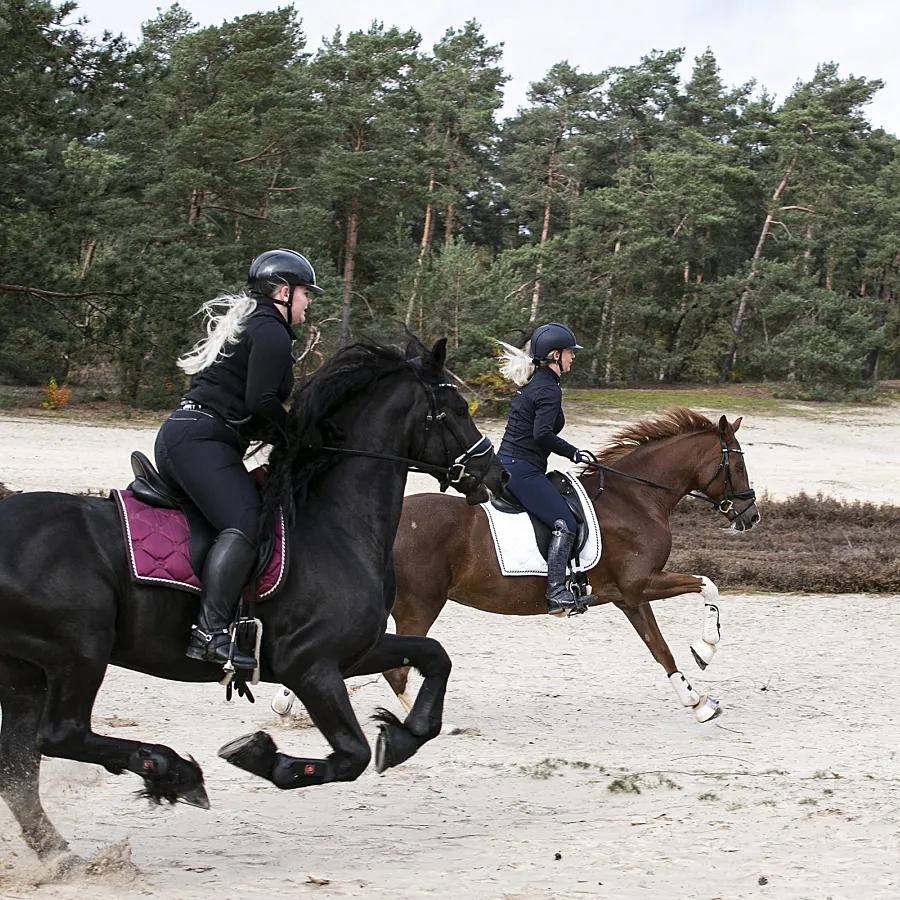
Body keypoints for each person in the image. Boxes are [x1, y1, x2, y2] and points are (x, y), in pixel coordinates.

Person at [155, 249, 322, 668]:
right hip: (200, 441)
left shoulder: (253, 324)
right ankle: (209, 633)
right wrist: (297, 436)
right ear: (283, 292)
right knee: (246, 522)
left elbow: (251, 410)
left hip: (188, 436)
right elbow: (261, 401)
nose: (308, 302)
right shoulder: (271, 331)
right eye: (305, 293)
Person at [496, 323, 598, 616]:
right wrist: (573, 452)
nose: (572, 357)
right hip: (522, 470)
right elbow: (542, 434)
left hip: (510, 464)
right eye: (569, 352)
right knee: (566, 524)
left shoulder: (535, 383)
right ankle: (556, 593)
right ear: (555, 355)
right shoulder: (548, 390)